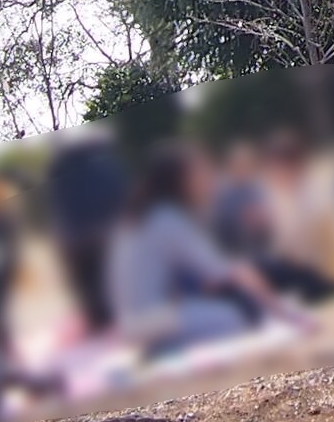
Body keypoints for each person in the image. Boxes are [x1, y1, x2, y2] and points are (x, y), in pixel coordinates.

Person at [105, 148, 281, 354]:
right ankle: (165, 348)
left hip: (132, 322)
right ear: (181, 180)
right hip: (151, 322)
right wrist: (276, 307)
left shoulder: (140, 215)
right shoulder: (167, 218)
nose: (207, 179)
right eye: (199, 173)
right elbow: (222, 271)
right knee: (234, 319)